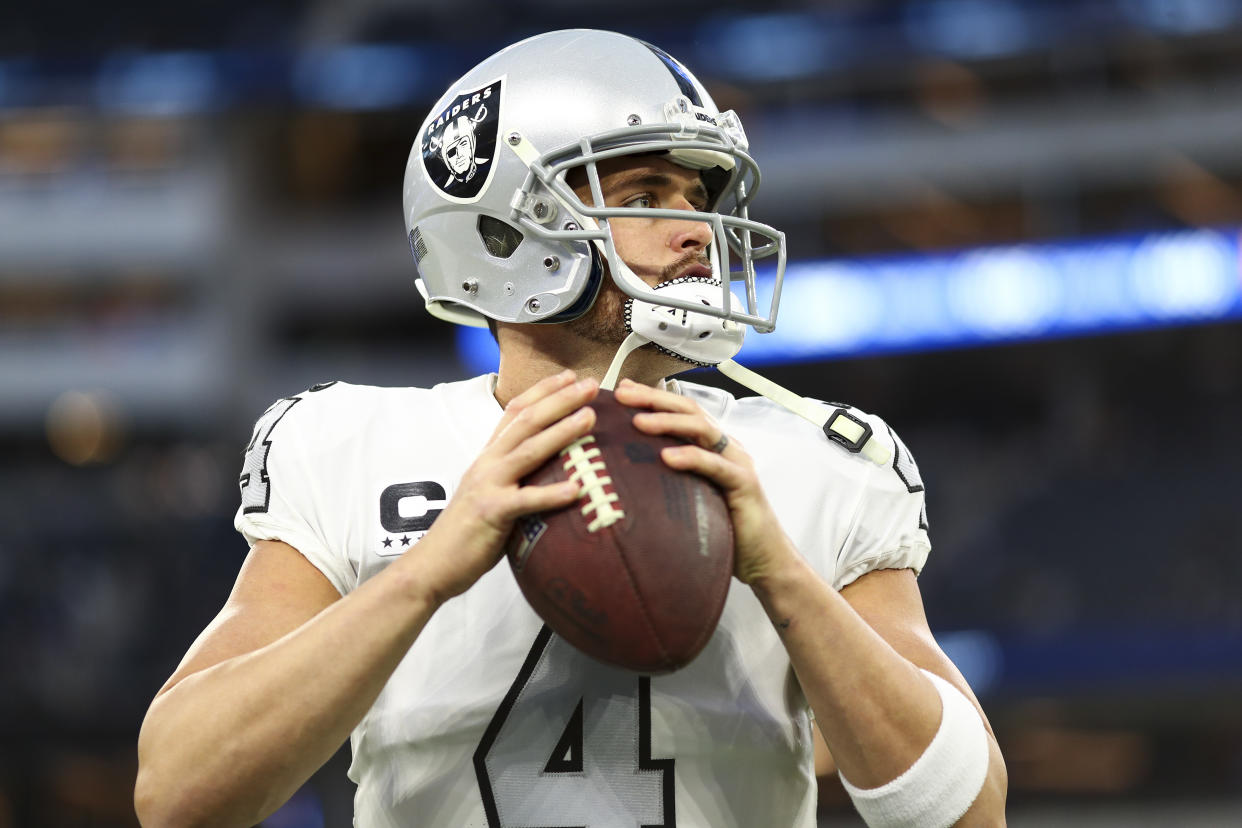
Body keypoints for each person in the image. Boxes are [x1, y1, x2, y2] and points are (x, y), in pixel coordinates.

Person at [134, 29, 1007, 828]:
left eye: (699, 195)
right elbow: (180, 792)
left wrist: (782, 575)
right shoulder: (350, 442)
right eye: (645, 193)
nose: (697, 231)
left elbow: (966, 813)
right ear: (508, 229)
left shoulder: (815, 457)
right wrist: (428, 571)